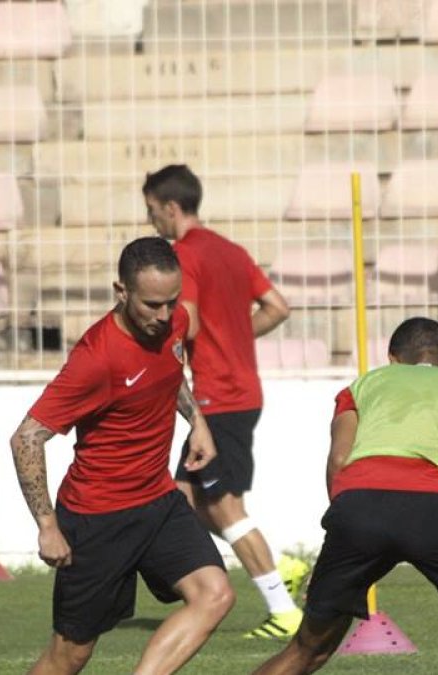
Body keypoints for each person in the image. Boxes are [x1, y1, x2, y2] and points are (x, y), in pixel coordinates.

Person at [254, 317, 438, 675]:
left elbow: (339, 460)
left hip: (361, 510)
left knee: (308, 649)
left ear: (392, 359)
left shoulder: (365, 384)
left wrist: (342, 541)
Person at [9, 237, 235, 675]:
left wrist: (197, 421)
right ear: (122, 291)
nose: (165, 315)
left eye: (171, 302)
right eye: (152, 304)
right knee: (71, 653)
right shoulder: (96, 359)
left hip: (158, 503)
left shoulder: (173, 322)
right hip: (97, 518)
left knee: (215, 593)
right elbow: (26, 439)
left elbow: (170, 371)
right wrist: (47, 526)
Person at [142, 164, 310, 640]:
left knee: (225, 505)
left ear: (171, 208)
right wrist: (235, 335)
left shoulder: (186, 256)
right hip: (242, 392)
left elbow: (188, 323)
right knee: (181, 500)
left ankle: (285, 610)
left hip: (218, 398)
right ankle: (277, 565)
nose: (152, 221)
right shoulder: (232, 251)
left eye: (152, 212)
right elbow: (277, 306)